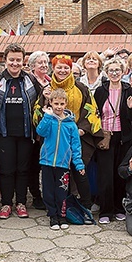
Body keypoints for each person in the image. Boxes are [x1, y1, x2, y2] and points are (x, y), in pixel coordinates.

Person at [0, 43, 40, 219]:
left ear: (23, 61)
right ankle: (6, 204)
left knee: (22, 169)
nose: (15, 63)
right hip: (2, 133)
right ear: (5, 60)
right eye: (11, 59)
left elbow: (41, 101)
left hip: (26, 133)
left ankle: (21, 203)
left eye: (18, 60)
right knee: (6, 170)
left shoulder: (30, 80)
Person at [33, 54, 102, 212]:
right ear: (53, 69)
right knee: (57, 174)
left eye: (66, 67)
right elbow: (38, 112)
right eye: (59, 67)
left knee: (78, 170)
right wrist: (44, 99)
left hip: (77, 135)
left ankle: (84, 204)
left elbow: (92, 109)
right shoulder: (47, 89)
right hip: (53, 139)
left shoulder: (81, 88)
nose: (62, 70)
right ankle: (58, 207)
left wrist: (82, 129)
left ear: (71, 69)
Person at [94, 58, 132, 224]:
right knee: (105, 175)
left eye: (117, 70)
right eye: (111, 70)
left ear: (123, 72)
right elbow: (95, 113)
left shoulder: (128, 90)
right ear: (106, 72)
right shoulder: (100, 91)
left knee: (120, 174)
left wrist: (131, 108)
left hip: (123, 137)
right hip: (106, 136)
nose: (114, 73)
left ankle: (119, 209)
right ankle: (106, 211)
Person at [36, 88, 86, 230]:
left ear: (66, 104)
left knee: (61, 191)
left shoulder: (70, 124)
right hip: (47, 161)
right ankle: (52, 215)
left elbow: (76, 146)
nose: (58, 107)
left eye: (61, 104)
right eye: (56, 103)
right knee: (48, 190)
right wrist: (47, 116)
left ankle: (61, 215)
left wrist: (78, 163)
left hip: (63, 163)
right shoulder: (48, 119)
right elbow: (40, 132)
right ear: (50, 103)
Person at [27, 50, 52, 210]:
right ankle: (36, 196)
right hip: (34, 129)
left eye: (45, 62)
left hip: (48, 129)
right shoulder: (29, 81)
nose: (44, 65)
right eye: (40, 62)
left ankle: (47, 194)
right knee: (34, 165)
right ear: (32, 66)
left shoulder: (50, 81)